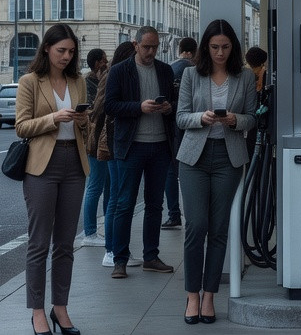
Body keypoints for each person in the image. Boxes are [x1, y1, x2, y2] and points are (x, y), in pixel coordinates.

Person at [176, 20, 257, 324]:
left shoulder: (245, 77)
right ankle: (192, 295)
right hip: (193, 158)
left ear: (232, 47)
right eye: (214, 47)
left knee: (219, 230)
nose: (220, 53)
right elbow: (181, 117)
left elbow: (252, 119)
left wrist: (235, 120)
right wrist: (203, 117)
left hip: (229, 157)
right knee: (196, 226)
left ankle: (209, 296)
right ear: (204, 47)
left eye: (225, 47)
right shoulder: (190, 75)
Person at [16, 23, 91, 335]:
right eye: (61, 50)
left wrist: (83, 120)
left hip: (75, 162)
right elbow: (21, 126)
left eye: (71, 51)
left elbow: (86, 128)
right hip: (41, 166)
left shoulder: (78, 81)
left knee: (65, 244)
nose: (66, 56)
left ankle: (60, 308)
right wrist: (53, 118)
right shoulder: (30, 81)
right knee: (38, 243)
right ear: (46, 48)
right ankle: (37, 311)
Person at [104, 26, 177, 278]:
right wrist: (139, 107)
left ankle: (151, 256)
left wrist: (168, 108)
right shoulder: (119, 71)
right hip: (131, 147)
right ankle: (119, 259)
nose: (151, 51)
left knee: (155, 205)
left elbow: (177, 105)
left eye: (155, 47)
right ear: (135, 45)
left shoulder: (165, 71)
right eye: (146, 46)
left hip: (160, 147)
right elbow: (109, 106)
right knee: (124, 204)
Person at [97, 41, 138, 269]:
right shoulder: (118, 73)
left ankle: (113, 250)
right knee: (117, 198)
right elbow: (104, 108)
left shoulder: (111, 72)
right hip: (116, 140)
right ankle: (112, 251)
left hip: (114, 140)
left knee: (114, 196)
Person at [164, 37, 198, 230]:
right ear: (194, 51)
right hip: (194, 126)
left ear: (180, 49)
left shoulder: (171, 68)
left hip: (171, 126)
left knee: (171, 172)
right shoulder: (195, 70)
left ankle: (173, 213)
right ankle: (192, 214)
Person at [79, 48, 111, 247]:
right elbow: (91, 111)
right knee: (95, 186)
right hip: (94, 139)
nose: (106, 63)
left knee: (105, 186)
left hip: (102, 139)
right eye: (104, 60)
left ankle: (108, 229)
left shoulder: (98, 79)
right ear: (97, 63)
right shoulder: (88, 82)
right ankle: (89, 232)